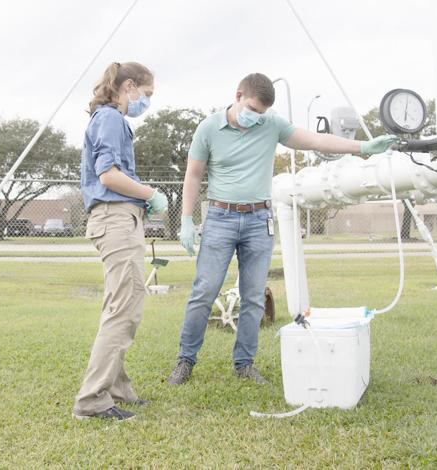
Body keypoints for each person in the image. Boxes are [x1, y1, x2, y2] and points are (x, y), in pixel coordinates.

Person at [166, 73, 397, 385]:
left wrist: (363, 147)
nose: (256, 117)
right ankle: (185, 360)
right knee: (204, 292)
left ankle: (244, 364)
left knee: (253, 298)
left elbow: (316, 140)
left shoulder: (271, 124)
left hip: (258, 221)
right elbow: (193, 174)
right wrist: (186, 219)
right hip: (220, 217)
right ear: (238, 96)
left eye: (261, 113)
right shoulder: (208, 128)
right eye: (252, 109)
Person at [72, 61, 169, 421]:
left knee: (119, 304)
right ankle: (92, 400)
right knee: (123, 309)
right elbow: (109, 175)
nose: (147, 102)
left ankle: (116, 387)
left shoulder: (110, 120)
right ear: (129, 86)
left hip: (118, 219)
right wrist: (150, 193)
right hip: (115, 218)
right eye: (146, 95)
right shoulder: (112, 118)